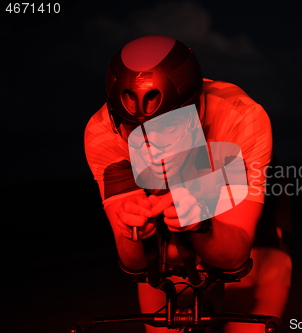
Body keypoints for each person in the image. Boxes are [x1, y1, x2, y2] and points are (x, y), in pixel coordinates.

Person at [84, 35, 291, 333]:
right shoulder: (102, 131)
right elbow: (136, 265)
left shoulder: (241, 117)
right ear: (116, 120)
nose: (151, 145)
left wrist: (199, 223)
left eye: (167, 126)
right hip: (169, 197)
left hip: (229, 176)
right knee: (163, 289)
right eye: (134, 130)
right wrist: (135, 233)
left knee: (249, 320)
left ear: (198, 109)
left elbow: (234, 257)